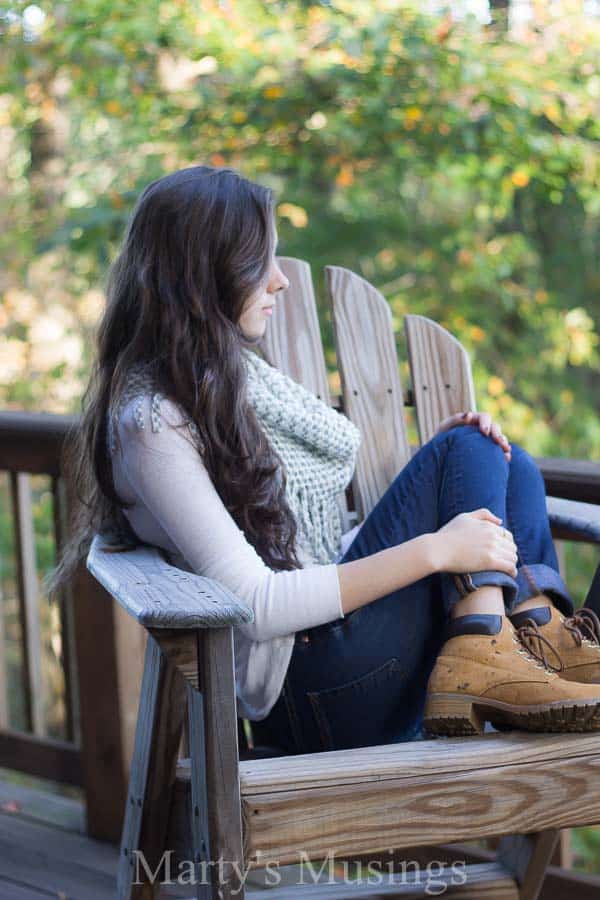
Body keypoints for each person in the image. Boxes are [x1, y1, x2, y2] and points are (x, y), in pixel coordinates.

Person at [46, 165, 600, 756]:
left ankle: (539, 643)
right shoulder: (152, 422)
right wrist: (436, 547)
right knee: (465, 451)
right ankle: (486, 653)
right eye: (263, 260)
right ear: (204, 272)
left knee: (500, 457)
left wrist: (450, 479)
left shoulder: (225, 386)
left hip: (341, 663)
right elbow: (255, 603)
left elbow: (325, 548)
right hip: (309, 694)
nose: (280, 280)